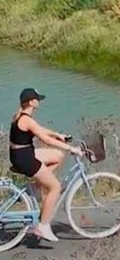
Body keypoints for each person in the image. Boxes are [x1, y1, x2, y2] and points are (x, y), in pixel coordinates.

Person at [9, 88, 82, 243]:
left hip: (22, 154)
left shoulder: (21, 116)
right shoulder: (26, 120)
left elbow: (40, 130)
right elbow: (46, 140)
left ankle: (37, 186)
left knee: (57, 156)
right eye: (37, 99)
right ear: (31, 102)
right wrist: (71, 148)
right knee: (55, 187)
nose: (39, 101)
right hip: (25, 158)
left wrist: (57, 135)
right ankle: (43, 226)